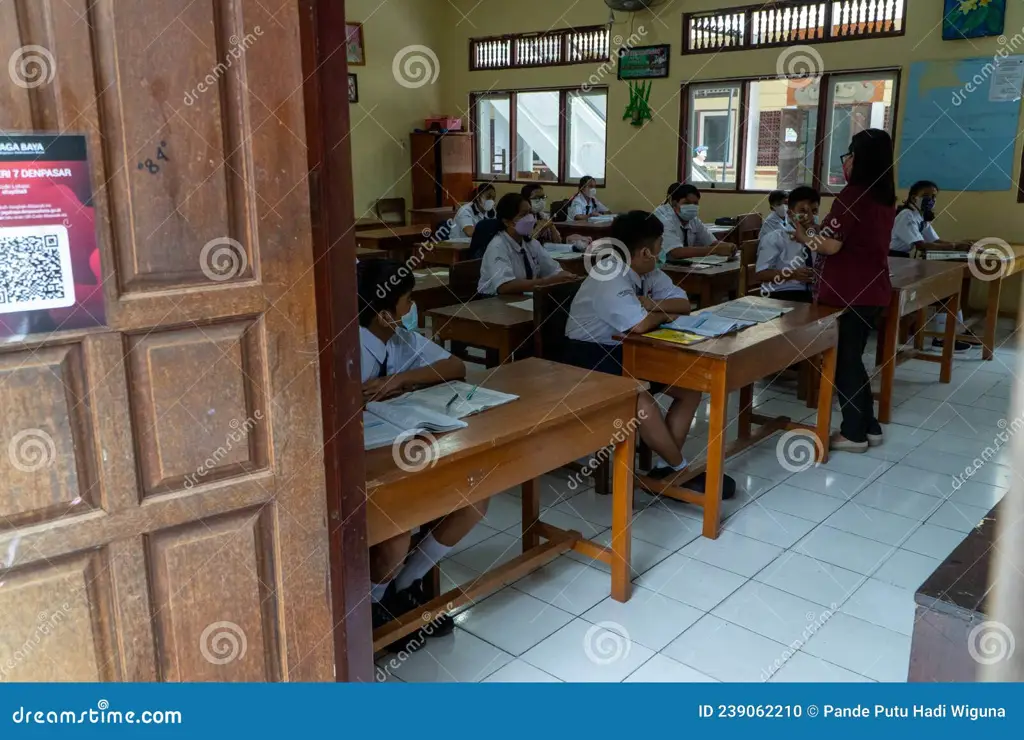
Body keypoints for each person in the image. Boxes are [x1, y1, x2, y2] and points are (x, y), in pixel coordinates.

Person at [358, 260, 486, 651]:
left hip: (409, 447)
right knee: (396, 529)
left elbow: (456, 365)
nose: (412, 307)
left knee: (475, 498)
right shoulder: (347, 347)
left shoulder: (398, 340)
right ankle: (372, 607)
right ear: (383, 313)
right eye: (408, 300)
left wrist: (402, 379)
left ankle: (404, 585)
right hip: (368, 462)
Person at [563, 211, 736, 497]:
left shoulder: (647, 271)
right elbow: (640, 324)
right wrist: (656, 311)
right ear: (645, 251)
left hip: (630, 352)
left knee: (691, 389)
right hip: (589, 358)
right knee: (641, 400)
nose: (661, 253)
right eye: (659, 247)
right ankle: (679, 469)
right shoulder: (610, 276)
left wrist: (652, 305)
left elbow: (683, 303)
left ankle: (663, 469)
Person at [792, 129, 895, 453]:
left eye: (850, 154)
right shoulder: (885, 197)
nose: (846, 160)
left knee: (843, 362)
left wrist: (803, 236)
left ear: (860, 159)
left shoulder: (853, 196)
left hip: (848, 292)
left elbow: (831, 246)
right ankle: (869, 426)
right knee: (853, 359)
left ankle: (853, 434)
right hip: (872, 290)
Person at [891, 180, 970, 352]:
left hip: (906, 262)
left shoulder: (920, 216)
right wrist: (955, 247)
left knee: (947, 289)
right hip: (895, 263)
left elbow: (934, 240)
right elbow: (921, 245)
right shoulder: (906, 216)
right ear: (913, 197)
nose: (931, 200)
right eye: (926, 196)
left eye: (933, 197)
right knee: (942, 290)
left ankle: (956, 332)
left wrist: (957, 244)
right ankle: (942, 339)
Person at [477, 193, 577, 295]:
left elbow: (552, 270)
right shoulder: (498, 246)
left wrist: (567, 276)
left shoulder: (530, 243)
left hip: (522, 299)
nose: (530, 218)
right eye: (523, 215)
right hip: (493, 302)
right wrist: (547, 282)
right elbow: (504, 286)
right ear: (507, 222)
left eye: (530, 213)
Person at [754, 186, 817, 302]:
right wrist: (792, 274)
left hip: (812, 293)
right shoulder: (775, 238)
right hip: (781, 294)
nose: (810, 217)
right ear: (790, 213)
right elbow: (761, 274)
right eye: (802, 211)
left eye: (814, 211)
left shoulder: (820, 240)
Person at [652, 183, 734, 263]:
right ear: (674, 203)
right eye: (687, 203)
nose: (691, 207)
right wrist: (715, 250)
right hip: (662, 267)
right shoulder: (664, 218)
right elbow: (676, 252)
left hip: (684, 266)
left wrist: (727, 246)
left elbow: (711, 242)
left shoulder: (693, 219)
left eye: (695, 203)